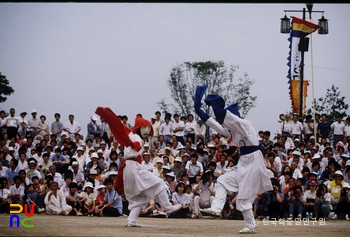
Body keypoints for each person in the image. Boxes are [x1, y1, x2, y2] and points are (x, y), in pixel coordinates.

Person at [194, 85, 272, 234]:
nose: (226, 123)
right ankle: (216, 209)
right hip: (244, 161)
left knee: (243, 198)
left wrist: (216, 103)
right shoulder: (234, 131)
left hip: (253, 161)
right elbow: (214, 124)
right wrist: (199, 110)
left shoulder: (244, 125)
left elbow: (224, 118)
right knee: (222, 181)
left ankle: (250, 227)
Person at [95, 107, 181, 227]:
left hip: (127, 169)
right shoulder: (137, 139)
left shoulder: (130, 135)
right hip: (134, 167)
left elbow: (120, 128)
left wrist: (110, 120)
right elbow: (132, 143)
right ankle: (168, 207)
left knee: (139, 197)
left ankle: (131, 221)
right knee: (159, 183)